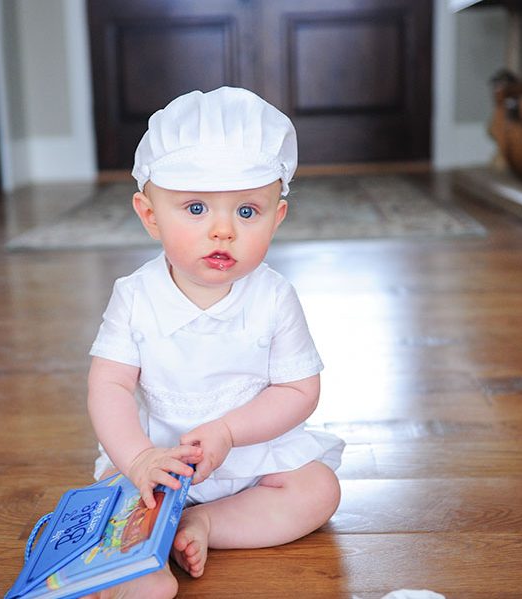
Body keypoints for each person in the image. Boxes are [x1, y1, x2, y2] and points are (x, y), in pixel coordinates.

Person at [84, 86, 345, 599]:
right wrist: (138, 458)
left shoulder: (274, 297)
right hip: (158, 460)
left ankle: (206, 524)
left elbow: (298, 390)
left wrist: (228, 431)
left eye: (247, 212)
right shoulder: (135, 296)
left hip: (250, 454)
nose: (222, 231)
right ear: (150, 215)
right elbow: (109, 386)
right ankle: (140, 561)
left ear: (277, 217)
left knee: (319, 489)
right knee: (117, 495)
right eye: (197, 207)